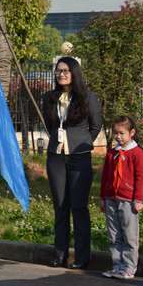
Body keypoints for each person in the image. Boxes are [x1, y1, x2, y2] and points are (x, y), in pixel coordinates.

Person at [42, 56, 102, 269]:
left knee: (78, 207)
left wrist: (81, 143)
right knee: (60, 206)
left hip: (79, 157)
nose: (62, 74)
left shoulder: (88, 97)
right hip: (56, 157)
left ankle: (82, 257)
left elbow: (96, 126)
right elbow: (49, 124)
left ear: (74, 73)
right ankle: (60, 254)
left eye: (66, 70)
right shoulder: (49, 98)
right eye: (58, 70)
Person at [100, 116, 143, 280]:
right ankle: (117, 266)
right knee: (114, 234)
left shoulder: (137, 153)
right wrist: (103, 196)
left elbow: (140, 178)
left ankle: (129, 267)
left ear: (131, 133)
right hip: (111, 198)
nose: (118, 136)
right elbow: (105, 176)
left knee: (129, 235)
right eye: (115, 133)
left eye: (121, 133)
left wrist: (138, 199)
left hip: (128, 200)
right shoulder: (112, 153)